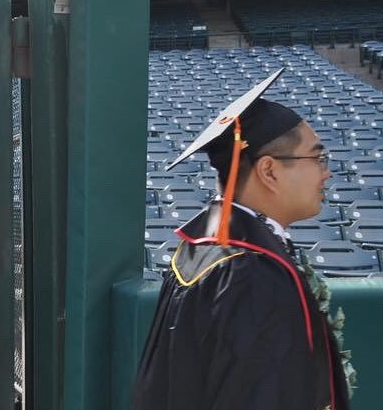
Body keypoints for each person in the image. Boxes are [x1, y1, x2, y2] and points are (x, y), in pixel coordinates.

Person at [133, 70, 353, 410]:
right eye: (317, 158)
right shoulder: (250, 275)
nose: (327, 172)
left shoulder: (203, 250)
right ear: (269, 171)